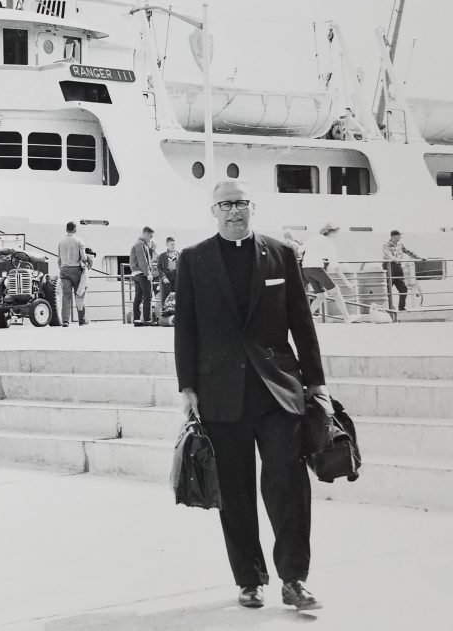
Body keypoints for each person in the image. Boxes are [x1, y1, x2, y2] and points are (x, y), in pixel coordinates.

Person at [175, 179, 327, 612]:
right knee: (236, 491)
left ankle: (294, 579)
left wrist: (315, 380)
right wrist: (187, 387)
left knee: (288, 486)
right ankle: (249, 579)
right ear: (214, 211)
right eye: (226, 204)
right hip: (220, 392)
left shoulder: (281, 254)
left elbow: (302, 320)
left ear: (252, 208)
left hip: (278, 391)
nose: (235, 211)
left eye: (242, 203)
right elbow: (185, 326)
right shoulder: (194, 259)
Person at [301, 223, 354, 322]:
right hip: (316, 268)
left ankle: (307, 318)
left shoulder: (313, 237)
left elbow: (300, 250)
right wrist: (346, 281)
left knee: (321, 296)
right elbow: (335, 266)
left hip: (306, 269)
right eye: (337, 233)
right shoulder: (329, 243)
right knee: (336, 291)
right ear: (332, 233)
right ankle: (347, 317)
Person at [57, 221, 90, 327]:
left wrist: (62, 269)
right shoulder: (79, 240)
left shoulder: (61, 242)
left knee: (66, 296)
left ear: (66, 229)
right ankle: (82, 319)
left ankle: (65, 320)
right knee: (79, 294)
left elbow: (59, 260)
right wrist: (89, 259)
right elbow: (84, 257)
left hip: (64, 270)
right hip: (76, 270)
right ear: (75, 229)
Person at [382, 229, 423, 312]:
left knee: (403, 288)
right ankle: (388, 307)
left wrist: (419, 257)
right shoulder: (386, 245)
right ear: (393, 237)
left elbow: (409, 252)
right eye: (398, 236)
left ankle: (401, 307)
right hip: (389, 267)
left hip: (398, 267)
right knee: (387, 289)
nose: (400, 237)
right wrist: (395, 259)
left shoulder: (400, 245)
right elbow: (388, 254)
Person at [129, 226, 155, 325]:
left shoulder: (138, 243)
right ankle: (147, 320)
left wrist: (151, 249)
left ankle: (137, 320)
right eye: (150, 236)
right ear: (145, 234)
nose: (151, 238)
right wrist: (148, 274)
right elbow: (142, 260)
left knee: (138, 297)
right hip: (142, 274)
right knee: (148, 297)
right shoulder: (140, 244)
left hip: (136, 273)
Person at [157, 236, 180, 312]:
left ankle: (175, 315)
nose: (173, 246)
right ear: (167, 244)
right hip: (166, 276)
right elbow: (159, 267)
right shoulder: (162, 256)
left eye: (174, 244)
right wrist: (163, 277)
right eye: (171, 244)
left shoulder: (178, 255)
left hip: (176, 276)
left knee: (177, 295)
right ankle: (164, 314)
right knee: (165, 296)